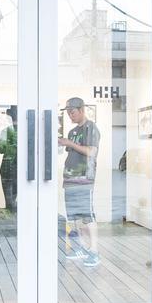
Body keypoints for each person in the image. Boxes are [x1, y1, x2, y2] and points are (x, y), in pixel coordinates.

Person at [58, 97, 101, 267]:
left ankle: (94, 251)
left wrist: (69, 143)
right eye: (68, 113)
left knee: (87, 215)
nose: (70, 115)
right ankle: (82, 247)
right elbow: (72, 151)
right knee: (74, 215)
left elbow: (91, 152)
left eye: (73, 112)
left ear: (82, 110)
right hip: (70, 178)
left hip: (84, 178)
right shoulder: (72, 131)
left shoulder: (91, 128)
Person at [0, 105, 18, 212]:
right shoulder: (26, 131)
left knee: (9, 201)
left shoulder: (5, 131)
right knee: (19, 199)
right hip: (21, 167)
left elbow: (1, 149)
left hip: (7, 166)